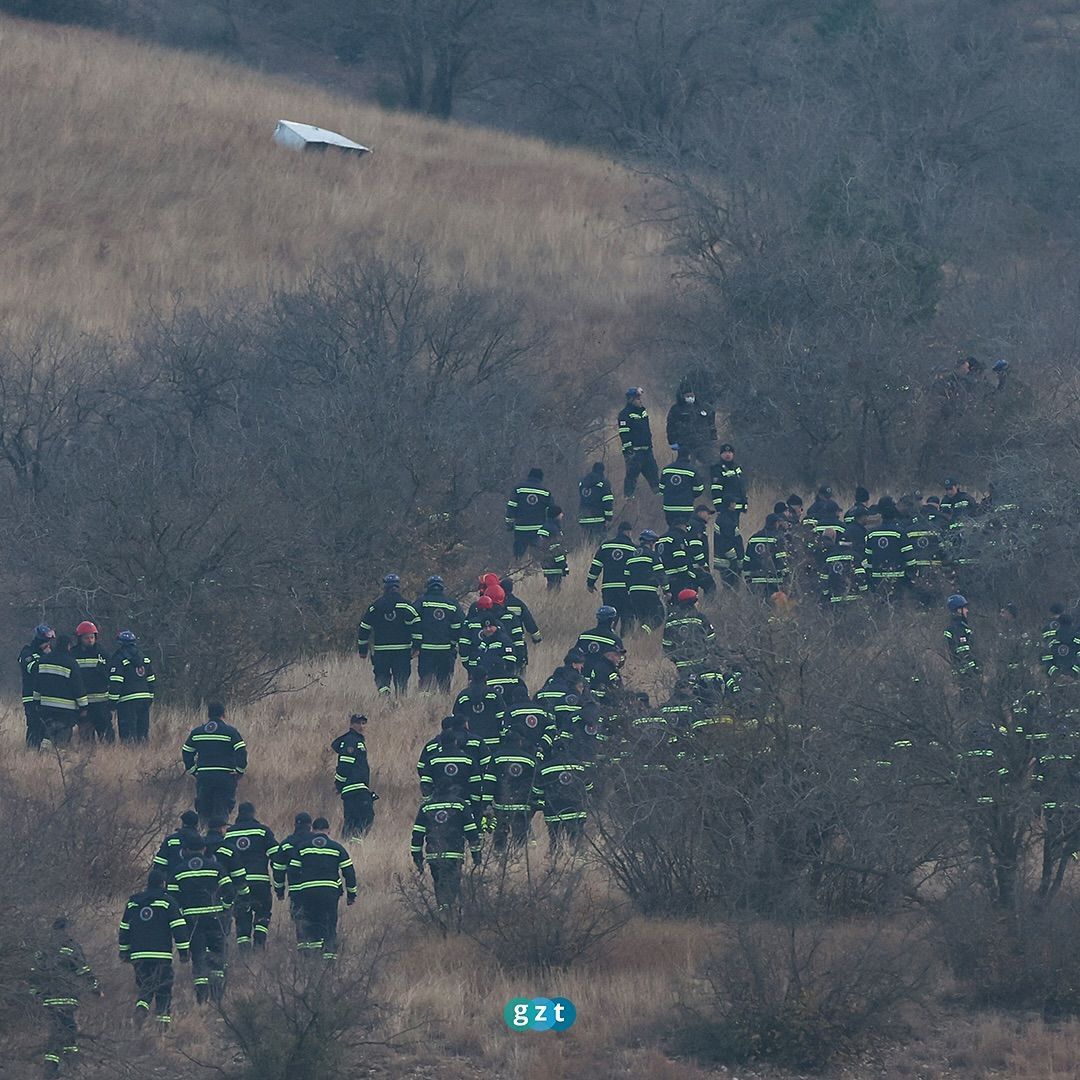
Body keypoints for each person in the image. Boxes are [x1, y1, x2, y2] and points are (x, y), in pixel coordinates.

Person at [167, 832, 237, 1004]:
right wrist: (224, 907)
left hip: (192, 921)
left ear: (185, 851)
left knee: (199, 957)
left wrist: (183, 913)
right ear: (204, 849)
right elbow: (230, 890)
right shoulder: (215, 867)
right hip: (215, 918)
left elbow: (172, 900)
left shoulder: (178, 871)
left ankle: (201, 998)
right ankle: (217, 996)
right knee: (217, 955)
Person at [118, 868, 190, 1027]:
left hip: (138, 955)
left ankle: (141, 1008)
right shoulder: (167, 901)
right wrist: (184, 952)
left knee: (146, 985)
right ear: (163, 883)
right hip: (161, 955)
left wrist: (124, 951)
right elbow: (178, 927)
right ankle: (162, 1027)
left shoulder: (133, 902)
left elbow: (124, 928)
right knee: (163, 989)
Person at [32, 917, 100, 1076]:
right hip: (66, 995)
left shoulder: (43, 948)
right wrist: (96, 988)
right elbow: (82, 969)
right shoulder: (71, 945)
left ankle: (60, 1064)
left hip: (48, 996)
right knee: (67, 1028)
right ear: (66, 929)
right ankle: (62, 1064)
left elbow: (34, 971)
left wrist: (35, 992)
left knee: (61, 1028)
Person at [286, 818, 357, 960]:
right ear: (328, 831)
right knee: (329, 925)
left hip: (307, 893)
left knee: (310, 923)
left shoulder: (302, 847)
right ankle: (328, 960)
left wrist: (295, 894)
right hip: (329, 893)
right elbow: (349, 871)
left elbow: (292, 871)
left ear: (312, 830)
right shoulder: (337, 848)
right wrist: (351, 894)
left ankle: (309, 960)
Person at [182, 703, 247, 829]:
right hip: (225, 777)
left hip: (204, 776)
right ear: (224, 714)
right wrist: (239, 771)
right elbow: (241, 751)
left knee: (204, 808)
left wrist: (193, 770)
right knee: (222, 808)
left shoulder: (197, 732)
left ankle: (204, 833)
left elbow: (186, 751)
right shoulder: (230, 732)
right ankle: (218, 836)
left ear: (208, 715)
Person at [412, 794, 482, 911]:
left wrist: (417, 858)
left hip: (433, 855)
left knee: (439, 883)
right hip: (454, 855)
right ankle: (449, 909)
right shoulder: (460, 805)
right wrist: (476, 855)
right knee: (452, 883)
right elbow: (471, 832)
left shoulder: (426, 807)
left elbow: (417, 834)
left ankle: (442, 908)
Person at [356, 574, 421, 695]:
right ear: (398, 587)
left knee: (381, 675)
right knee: (401, 678)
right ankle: (400, 699)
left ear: (384, 587)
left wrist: (362, 650)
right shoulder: (406, 606)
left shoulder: (375, 607)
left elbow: (364, 628)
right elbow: (417, 626)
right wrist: (416, 647)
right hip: (402, 651)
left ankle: (385, 694)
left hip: (381, 651)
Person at [225, 802, 279, 949]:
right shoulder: (263, 831)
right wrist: (279, 880)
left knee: (242, 916)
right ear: (253, 813)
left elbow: (223, 858)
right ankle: (259, 945)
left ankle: (244, 950)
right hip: (260, 882)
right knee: (263, 913)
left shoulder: (229, 833)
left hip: (239, 883)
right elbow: (276, 855)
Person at [531, 741, 592, 851]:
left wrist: (542, 802)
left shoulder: (544, 769)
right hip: (576, 810)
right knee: (576, 839)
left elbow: (537, 790)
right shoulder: (579, 766)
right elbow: (588, 786)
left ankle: (556, 860)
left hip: (554, 811)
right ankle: (578, 860)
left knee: (555, 840)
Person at [33, 635, 88, 747]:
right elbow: (78, 687)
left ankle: (44, 758)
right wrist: (84, 706)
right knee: (62, 739)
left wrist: (37, 702)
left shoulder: (43, 660)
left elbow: (37, 685)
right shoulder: (71, 663)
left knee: (47, 735)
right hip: (65, 711)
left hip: (46, 707)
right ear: (68, 646)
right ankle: (59, 760)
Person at [414, 575, 464, 693]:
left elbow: (412, 621)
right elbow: (460, 625)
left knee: (426, 681)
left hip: (426, 649)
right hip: (446, 650)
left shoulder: (421, 601)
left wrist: (416, 643)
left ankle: (424, 705)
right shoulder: (452, 603)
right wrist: (452, 642)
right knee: (444, 681)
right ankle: (444, 704)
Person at [331, 714, 375, 840]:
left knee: (352, 821)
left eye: (363, 723)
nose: (361, 726)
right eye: (358, 723)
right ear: (351, 725)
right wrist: (339, 784)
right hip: (355, 789)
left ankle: (349, 844)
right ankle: (353, 843)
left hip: (356, 789)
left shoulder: (357, 740)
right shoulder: (351, 741)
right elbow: (344, 765)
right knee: (365, 817)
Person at [272, 813, 314, 945]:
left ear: (295, 824)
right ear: (310, 825)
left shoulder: (286, 844)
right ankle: (318, 951)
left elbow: (278, 869)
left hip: (296, 891)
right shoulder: (316, 841)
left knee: (300, 922)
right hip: (315, 888)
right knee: (317, 920)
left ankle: (303, 953)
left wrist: (279, 891)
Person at [586, 522, 637, 628]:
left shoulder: (605, 546)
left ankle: (608, 635)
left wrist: (590, 583)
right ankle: (626, 639)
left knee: (609, 616)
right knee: (627, 616)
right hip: (626, 589)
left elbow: (596, 566)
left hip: (609, 588)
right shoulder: (634, 549)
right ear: (628, 532)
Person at [108, 629, 155, 743]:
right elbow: (151, 679)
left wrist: (112, 702)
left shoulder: (119, 659)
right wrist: (150, 697)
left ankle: (129, 757)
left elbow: (116, 681)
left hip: (127, 701)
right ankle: (143, 756)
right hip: (144, 699)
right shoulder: (144, 658)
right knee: (142, 732)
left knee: (127, 734)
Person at [71, 622, 112, 743]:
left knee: (107, 734)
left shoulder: (102, 654)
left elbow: (110, 675)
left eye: (92, 637)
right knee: (85, 736)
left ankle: (110, 755)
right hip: (83, 704)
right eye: (86, 638)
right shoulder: (73, 654)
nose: (90, 640)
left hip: (101, 703)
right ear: (79, 639)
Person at [661, 589, 716, 676]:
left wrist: (675, 658)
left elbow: (666, 644)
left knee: (685, 686)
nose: (698, 604)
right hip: (700, 660)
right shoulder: (700, 617)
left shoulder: (671, 621)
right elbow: (711, 637)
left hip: (681, 663)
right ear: (693, 603)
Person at [619, 387, 661, 498]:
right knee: (631, 477)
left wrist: (649, 445)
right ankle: (629, 499)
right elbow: (624, 434)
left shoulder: (643, 412)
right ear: (631, 400)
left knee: (654, 474)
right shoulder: (625, 414)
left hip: (646, 451)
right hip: (634, 453)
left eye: (640, 398)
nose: (640, 401)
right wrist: (629, 450)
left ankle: (658, 499)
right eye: (638, 399)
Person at [665, 379, 717, 469]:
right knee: (684, 467)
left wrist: (713, 438)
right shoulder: (677, 409)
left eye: (692, 395)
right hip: (685, 445)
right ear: (682, 396)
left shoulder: (703, 407)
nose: (690, 398)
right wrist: (672, 442)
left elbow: (711, 424)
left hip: (703, 444)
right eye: (687, 396)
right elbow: (670, 427)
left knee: (710, 465)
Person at [864, 498, 910, 599]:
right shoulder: (900, 533)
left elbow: (868, 558)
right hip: (897, 578)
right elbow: (908, 556)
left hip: (877, 578)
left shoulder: (871, 534)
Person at [19, 624, 55, 749]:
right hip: (31, 697)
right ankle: (31, 752)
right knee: (34, 725)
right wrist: (46, 656)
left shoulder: (51, 653)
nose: (48, 643)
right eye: (46, 641)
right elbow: (33, 669)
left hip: (46, 697)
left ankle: (45, 754)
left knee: (48, 726)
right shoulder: (27, 652)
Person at [505, 468, 553, 558]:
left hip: (521, 529)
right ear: (541, 478)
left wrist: (509, 523)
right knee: (538, 556)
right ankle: (536, 571)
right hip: (538, 529)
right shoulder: (545, 492)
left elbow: (511, 506)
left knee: (518, 556)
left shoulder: (519, 489)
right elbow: (551, 511)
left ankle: (517, 569)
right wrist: (549, 528)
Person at [626, 530, 666, 634]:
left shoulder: (631, 556)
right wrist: (667, 591)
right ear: (651, 542)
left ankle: (639, 640)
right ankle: (640, 634)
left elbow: (626, 576)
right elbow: (660, 574)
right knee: (658, 616)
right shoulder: (653, 555)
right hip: (648, 593)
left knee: (643, 619)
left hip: (633, 594)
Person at [499, 577, 542, 669]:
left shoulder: (499, 604)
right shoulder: (519, 604)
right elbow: (529, 621)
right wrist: (536, 638)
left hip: (501, 640)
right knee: (520, 665)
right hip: (517, 640)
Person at [743, 514, 789, 599]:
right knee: (773, 609)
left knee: (757, 608)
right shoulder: (778, 538)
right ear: (776, 523)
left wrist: (747, 577)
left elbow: (747, 560)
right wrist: (787, 576)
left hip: (756, 580)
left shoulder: (753, 538)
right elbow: (781, 559)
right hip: (773, 582)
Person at [659, 447, 704, 527]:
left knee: (672, 528)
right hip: (685, 508)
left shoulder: (667, 470)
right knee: (684, 530)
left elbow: (661, 488)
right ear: (689, 456)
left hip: (669, 507)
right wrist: (691, 496)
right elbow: (699, 489)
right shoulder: (692, 470)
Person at [152, 810, 201, 874]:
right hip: (195, 881)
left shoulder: (171, 840)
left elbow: (160, 863)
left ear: (183, 823)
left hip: (173, 878)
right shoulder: (201, 841)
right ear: (197, 825)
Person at [713, 497, 745, 588]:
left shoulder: (724, 517)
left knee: (728, 585)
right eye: (734, 503)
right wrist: (735, 557)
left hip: (724, 559)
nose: (735, 505)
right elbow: (727, 541)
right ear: (730, 504)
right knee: (732, 586)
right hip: (729, 560)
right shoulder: (726, 520)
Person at [944, 594, 979, 676]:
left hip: (962, 673)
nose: (967, 611)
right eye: (965, 608)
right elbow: (963, 652)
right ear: (959, 610)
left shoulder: (957, 626)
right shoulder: (958, 628)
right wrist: (973, 671)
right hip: (967, 675)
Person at [578, 462, 614, 539]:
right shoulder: (603, 483)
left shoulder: (582, 483)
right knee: (598, 544)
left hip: (583, 518)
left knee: (586, 543)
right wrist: (609, 517)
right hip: (598, 519)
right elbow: (607, 500)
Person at [710, 444, 746, 517]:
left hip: (737, 506)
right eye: (725, 453)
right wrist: (718, 507)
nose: (727, 454)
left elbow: (742, 487)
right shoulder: (717, 468)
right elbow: (716, 489)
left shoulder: (737, 468)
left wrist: (744, 504)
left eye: (730, 452)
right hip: (725, 506)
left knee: (735, 528)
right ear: (721, 454)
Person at [537, 505, 569, 589]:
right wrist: (563, 565)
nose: (562, 515)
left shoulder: (546, 527)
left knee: (551, 585)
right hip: (554, 565)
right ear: (556, 515)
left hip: (547, 563)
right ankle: (550, 602)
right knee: (554, 588)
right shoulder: (554, 529)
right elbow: (556, 548)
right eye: (560, 513)